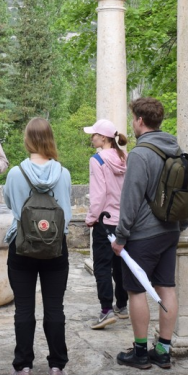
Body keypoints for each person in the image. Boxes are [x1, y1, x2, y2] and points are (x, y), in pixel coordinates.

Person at [2, 118, 73, 375]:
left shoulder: (14, 174)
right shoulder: (63, 174)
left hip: (22, 246)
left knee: (24, 308)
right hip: (56, 248)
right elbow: (66, 210)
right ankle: (56, 367)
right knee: (55, 308)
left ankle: (23, 368)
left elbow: (10, 204)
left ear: (28, 139)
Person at [114, 97, 183, 370]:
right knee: (166, 286)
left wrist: (120, 236)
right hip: (171, 230)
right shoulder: (175, 149)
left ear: (140, 121)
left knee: (137, 291)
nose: (132, 124)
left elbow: (130, 198)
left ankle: (140, 352)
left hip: (143, 233)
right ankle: (163, 350)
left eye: (133, 119)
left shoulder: (140, 154)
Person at [83, 118, 129, 330]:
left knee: (102, 266)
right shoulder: (125, 157)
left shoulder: (97, 160)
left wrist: (91, 218)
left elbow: (99, 193)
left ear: (103, 138)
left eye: (93, 134)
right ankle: (122, 305)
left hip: (105, 220)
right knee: (120, 264)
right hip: (124, 220)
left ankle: (105, 310)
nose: (91, 138)